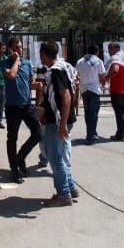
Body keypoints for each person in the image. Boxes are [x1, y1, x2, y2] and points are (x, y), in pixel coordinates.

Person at [38, 41, 80, 207]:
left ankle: (63, 194)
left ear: (43, 54)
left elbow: (67, 96)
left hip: (57, 122)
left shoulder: (56, 71)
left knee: (55, 158)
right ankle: (71, 188)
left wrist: (62, 123)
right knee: (59, 154)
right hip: (58, 119)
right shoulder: (63, 67)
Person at [3, 37, 41, 184]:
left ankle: (21, 156)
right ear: (10, 49)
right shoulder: (4, 63)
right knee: (12, 138)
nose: (19, 49)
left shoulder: (27, 63)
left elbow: (30, 82)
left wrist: (36, 85)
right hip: (12, 107)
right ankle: (14, 169)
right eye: (16, 47)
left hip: (27, 105)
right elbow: (12, 75)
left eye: (20, 47)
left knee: (38, 133)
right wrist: (17, 60)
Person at [76, 44, 106, 144]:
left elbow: (77, 75)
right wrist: (103, 83)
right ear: (97, 51)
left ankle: (91, 131)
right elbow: (102, 75)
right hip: (94, 89)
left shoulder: (80, 61)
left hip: (84, 89)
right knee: (93, 113)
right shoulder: (98, 61)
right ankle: (90, 136)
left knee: (87, 112)